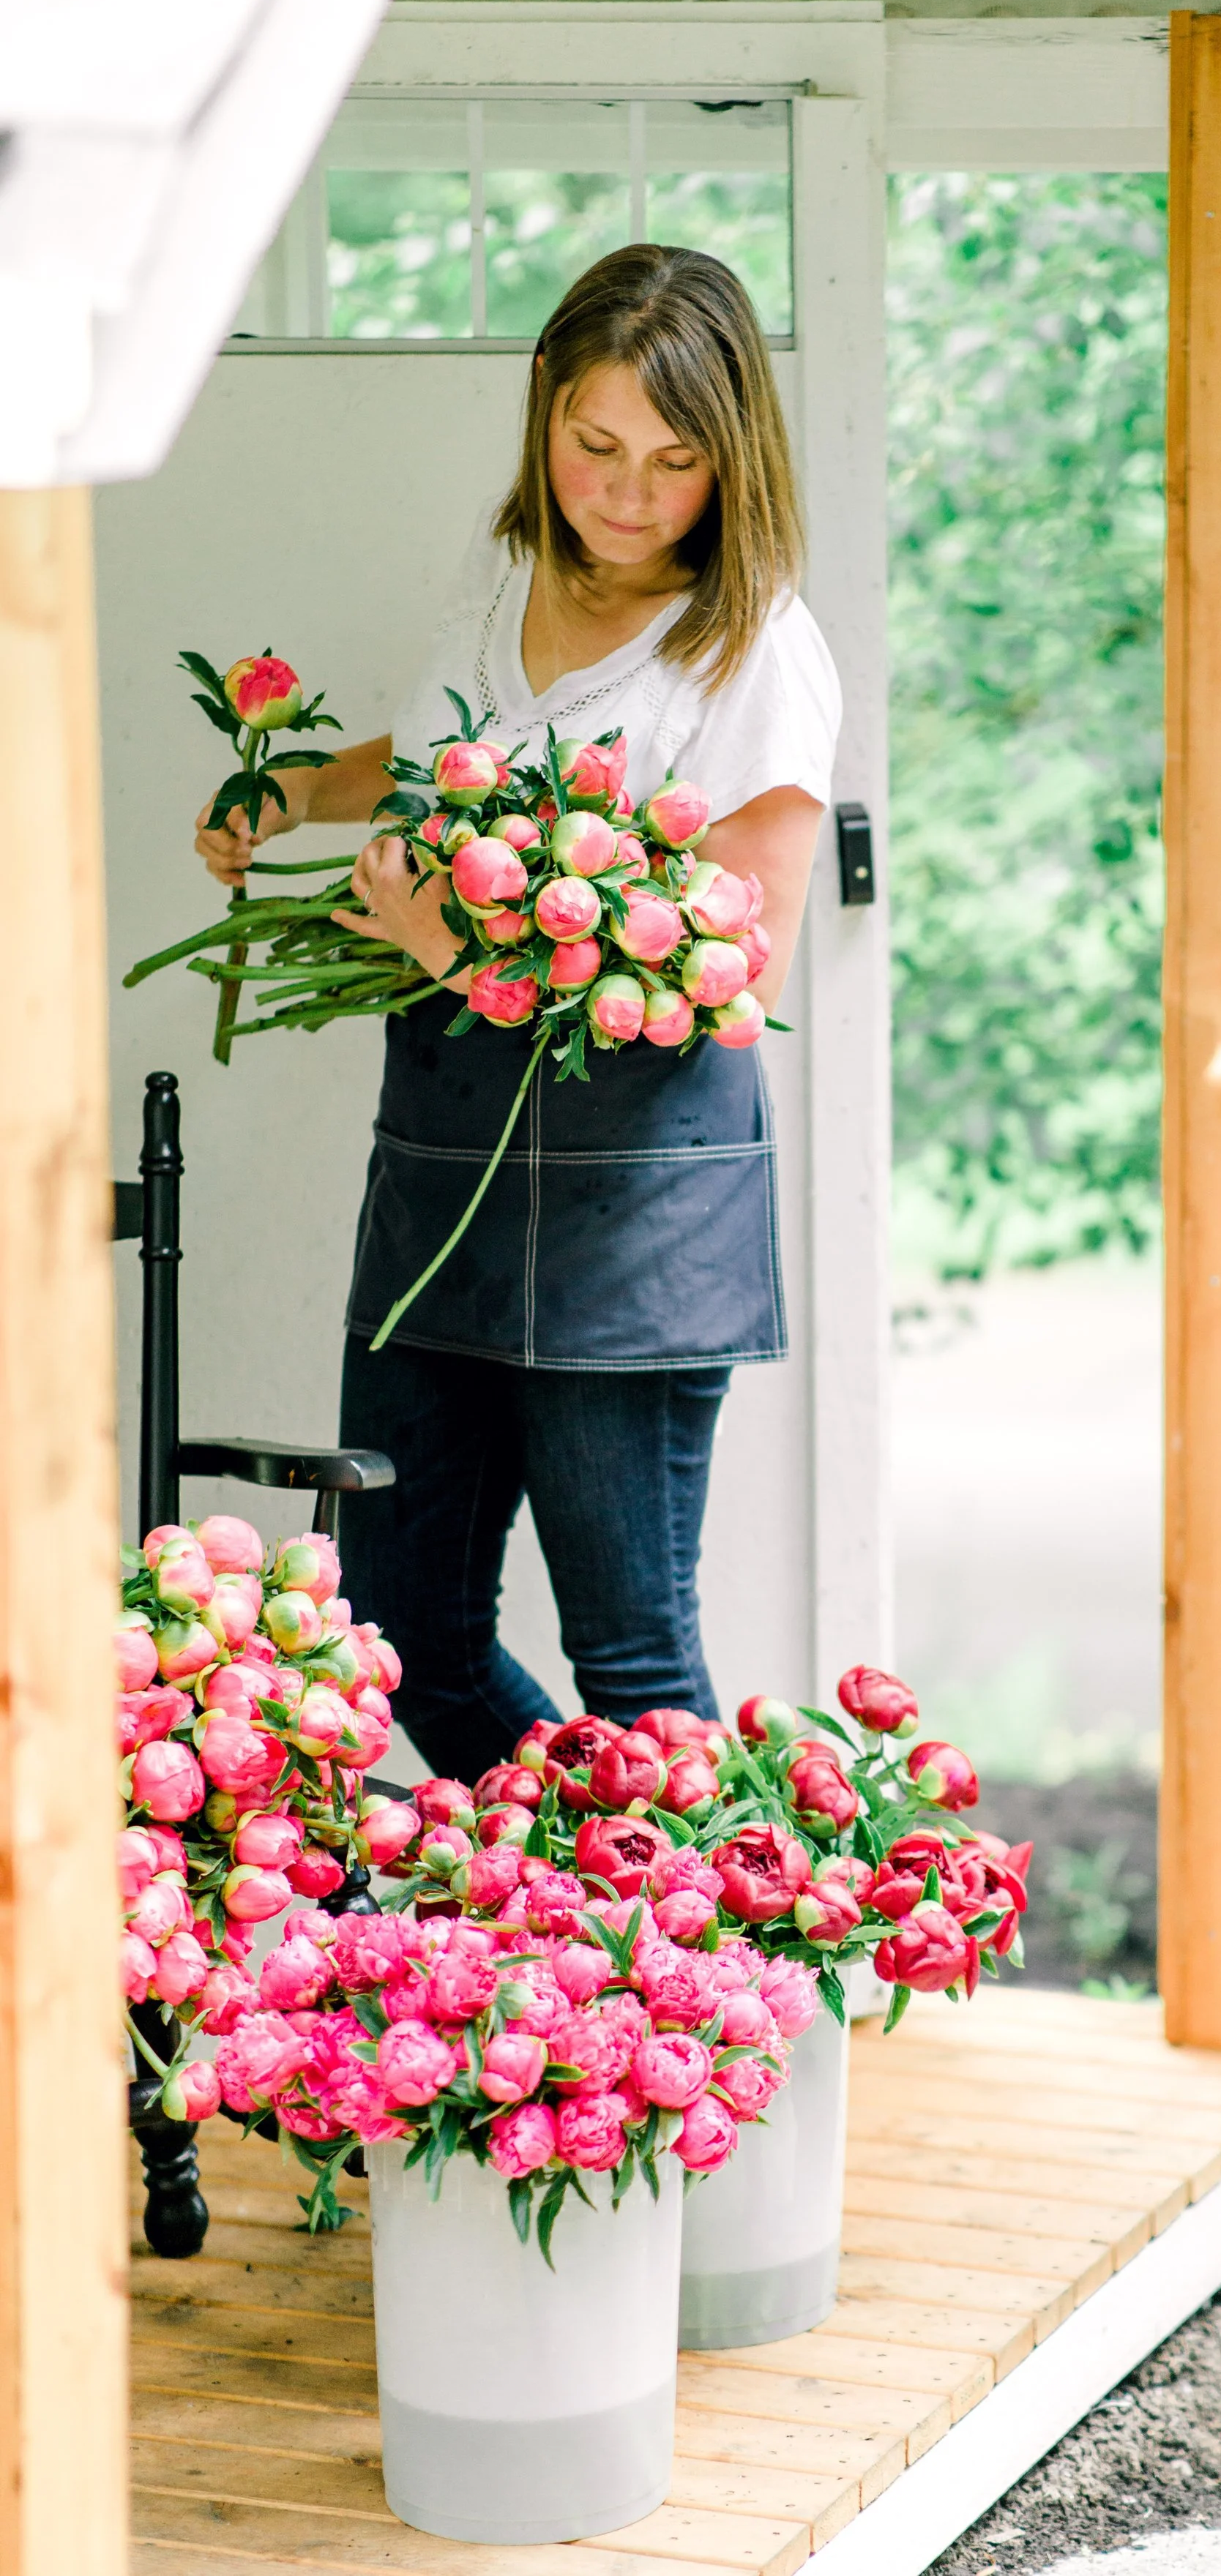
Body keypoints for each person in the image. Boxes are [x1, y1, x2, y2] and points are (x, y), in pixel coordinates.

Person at [194, 244, 837, 1782]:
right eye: (592, 446)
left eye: (673, 464)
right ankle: (571, 1927)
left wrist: (443, 949)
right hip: (442, 1175)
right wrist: (292, 789)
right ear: (544, 414)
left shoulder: (752, 653)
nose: (623, 495)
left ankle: (667, 1984)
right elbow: (435, 759)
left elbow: (741, 980)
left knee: (632, 1652)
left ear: (730, 461)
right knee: (397, 1623)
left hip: (634, 1215)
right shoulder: (503, 570)